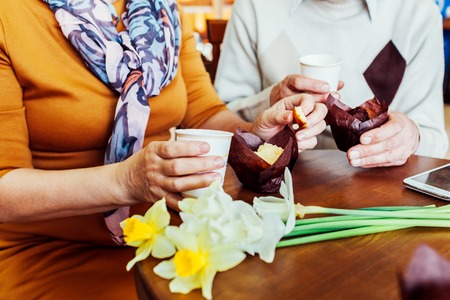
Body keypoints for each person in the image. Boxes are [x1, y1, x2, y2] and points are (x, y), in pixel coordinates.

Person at [0, 0, 328, 298]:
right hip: (50, 252)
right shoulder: (10, 16)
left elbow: (204, 113)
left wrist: (255, 135)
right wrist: (124, 182)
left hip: (171, 237)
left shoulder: (162, 10)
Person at [215, 0, 449, 168]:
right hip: (280, 186)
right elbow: (214, 117)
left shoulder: (417, 11)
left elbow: (434, 140)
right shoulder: (253, 6)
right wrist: (269, 104)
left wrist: (411, 136)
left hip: (381, 190)